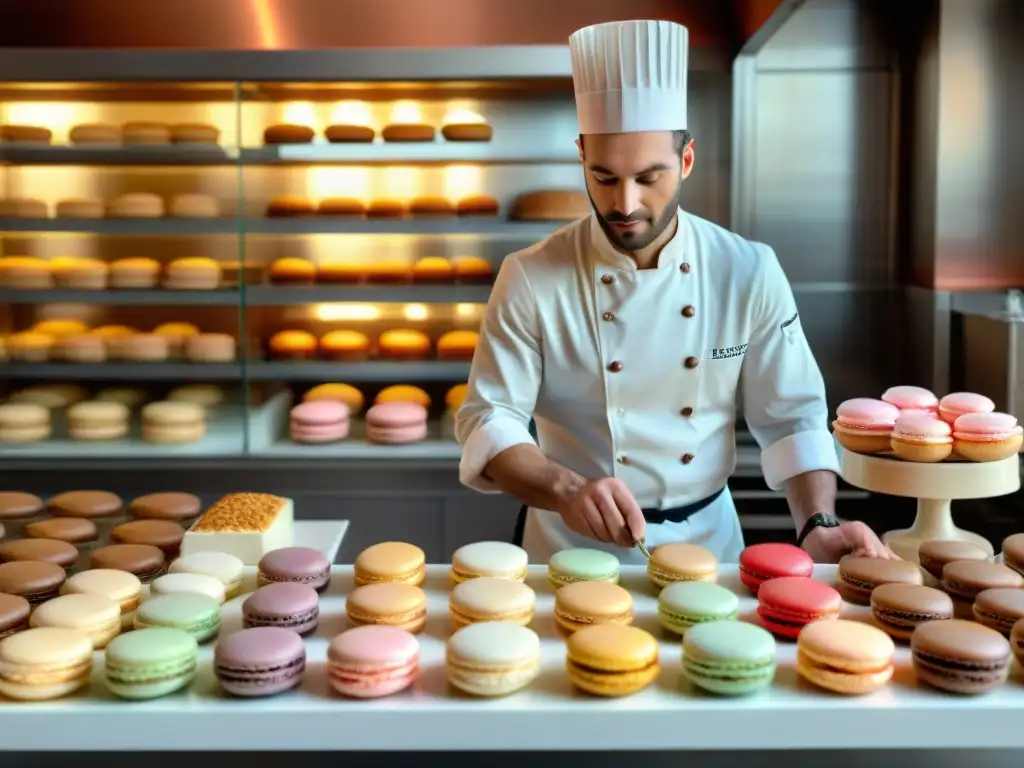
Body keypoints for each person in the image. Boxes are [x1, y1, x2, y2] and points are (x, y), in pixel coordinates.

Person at [454, 19, 893, 565]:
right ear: (581, 157)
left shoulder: (748, 270)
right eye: (605, 177)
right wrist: (565, 489)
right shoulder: (531, 275)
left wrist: (818, 523)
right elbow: (488, 418)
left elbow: (792, 418)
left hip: (710, 549)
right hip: (569, 552)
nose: (627, 203)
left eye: (650, 176)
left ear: (685, 161)